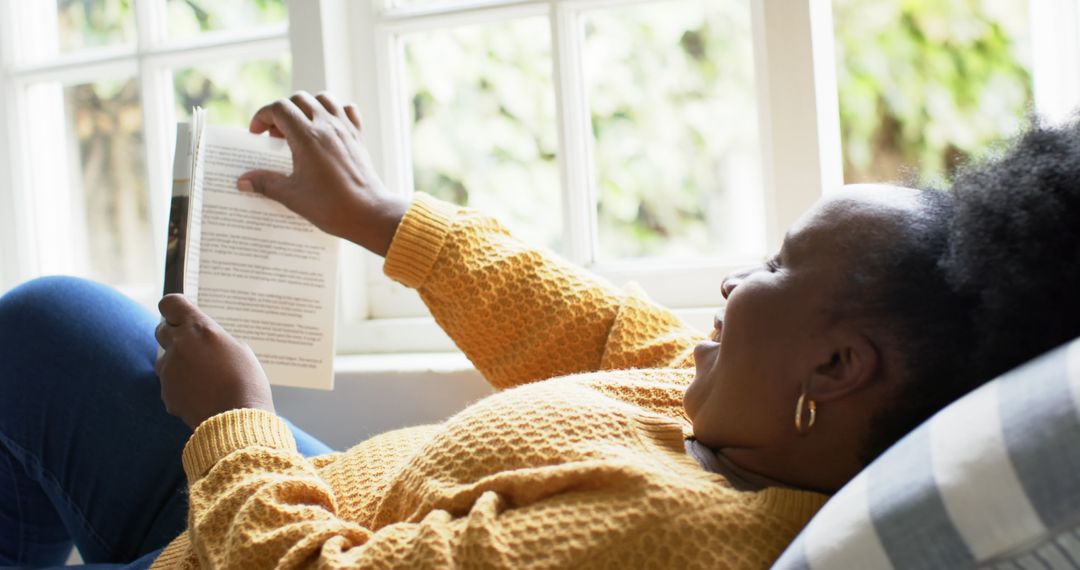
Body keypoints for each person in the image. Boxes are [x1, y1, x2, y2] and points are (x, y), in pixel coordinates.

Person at [1, 92, 1078, 569]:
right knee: (47, 324)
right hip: (300, 497)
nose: (737, 278)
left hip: (256, 545)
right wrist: (381, 217)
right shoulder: (744, 417)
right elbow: (597, 325)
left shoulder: (662, 537)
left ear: (837, 366)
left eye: (778, 266)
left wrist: (235, 422)